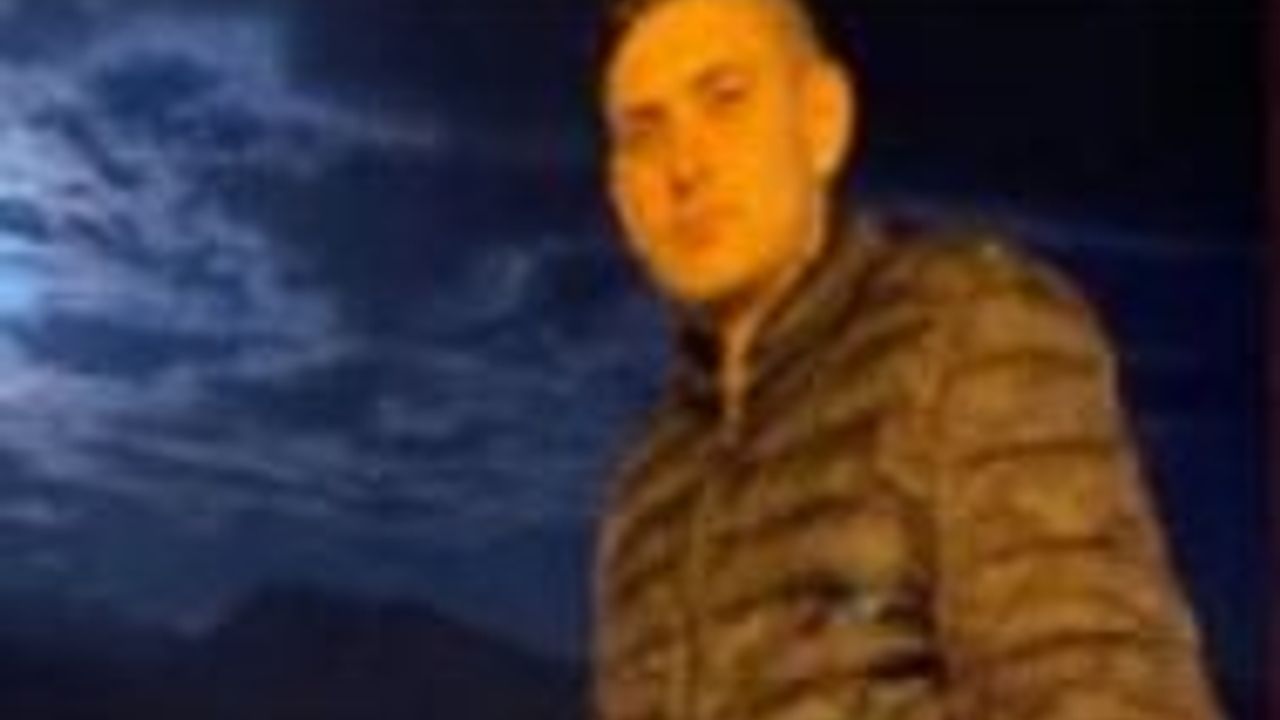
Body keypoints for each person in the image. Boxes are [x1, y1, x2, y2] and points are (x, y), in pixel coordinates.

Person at [589, 0, 1225, 718]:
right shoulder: (648, 492)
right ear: (621, 197)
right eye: (644, 133)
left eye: (725, 100)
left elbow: (1102, 686)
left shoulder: (961, 334)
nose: (684, 165)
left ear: (822, 120)